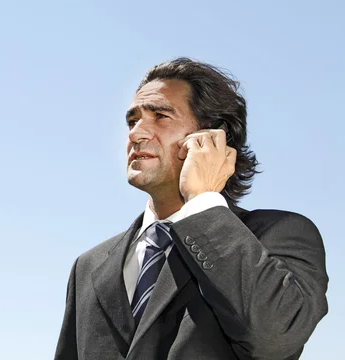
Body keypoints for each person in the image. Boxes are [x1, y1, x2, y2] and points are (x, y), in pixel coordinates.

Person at [54, 58, 328, 360]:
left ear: (214, 136)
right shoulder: (88, 267)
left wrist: (201, 202)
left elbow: (275, 338)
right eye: (133, 121)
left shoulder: (279, 234)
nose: (135, 134)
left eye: (160, 116)